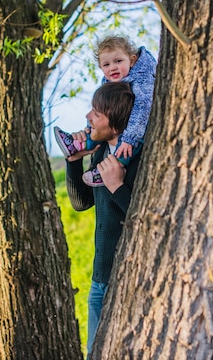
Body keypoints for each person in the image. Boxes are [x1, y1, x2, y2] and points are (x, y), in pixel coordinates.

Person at [63, 82, 139, 357]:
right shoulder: (103, 153)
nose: (88, 117)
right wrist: (73, 162)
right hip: (100, 279)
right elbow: (82, 202)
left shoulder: (138, 160)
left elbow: (144, 222)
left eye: (97, 112)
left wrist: (117, 186)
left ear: (116, 124)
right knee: (96, 352)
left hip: (129, 280)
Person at [54, 35, 156, 187]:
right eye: (106, 65)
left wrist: (129, 138)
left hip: (139, 127)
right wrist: (88, 133)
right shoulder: (109, 82)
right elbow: (81, 203)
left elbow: (143, 108)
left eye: (118, 61)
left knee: (130, 144)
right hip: (119, 129)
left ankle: (118, 163)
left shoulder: (143, 79)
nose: (112, 67)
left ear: (132, 60)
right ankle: (78, 145)